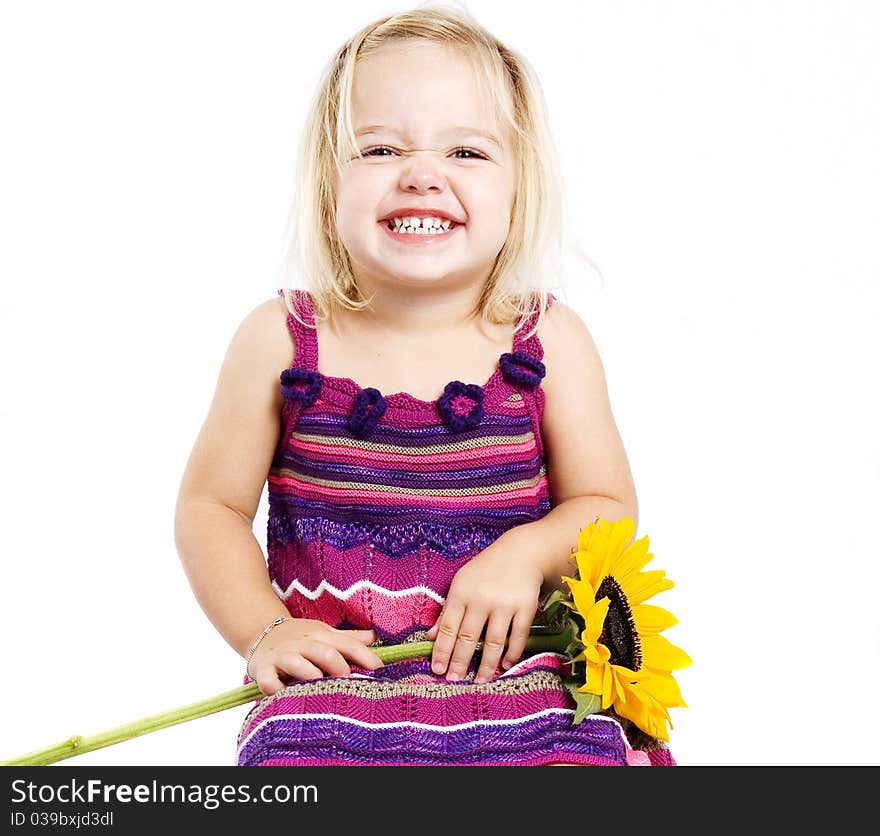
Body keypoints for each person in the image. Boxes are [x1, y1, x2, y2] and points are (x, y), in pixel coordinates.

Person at [174, 1, 676, 766]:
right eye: (378, 148)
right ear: (327, 179)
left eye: (468, 154)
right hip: (339, 691)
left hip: (526, 690)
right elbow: (210, 508)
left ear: (520, 186)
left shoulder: (549, 342)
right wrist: (266, 631)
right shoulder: (282, 341)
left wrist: (527, 554)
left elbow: (607, 507)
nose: (421, 175)